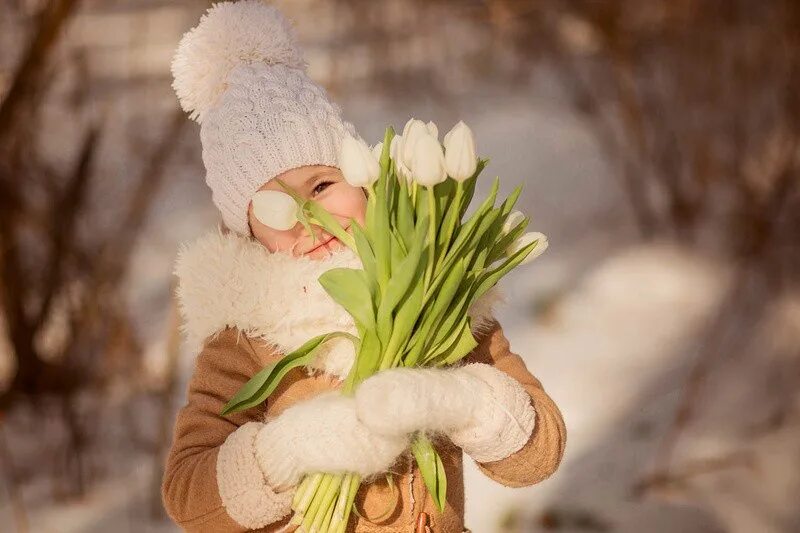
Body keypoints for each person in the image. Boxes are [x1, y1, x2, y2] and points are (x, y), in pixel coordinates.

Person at [160, 2, 566, 532]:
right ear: (247, 230)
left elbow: (540, 452)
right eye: (274, 207)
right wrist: (286, 451)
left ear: (360, 175)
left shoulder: (435, 288)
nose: (309, 220)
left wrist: (458, 401)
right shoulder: (247, 338)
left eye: (323, 187)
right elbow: (186, 495)